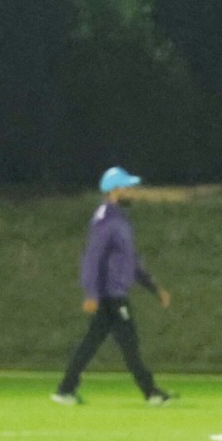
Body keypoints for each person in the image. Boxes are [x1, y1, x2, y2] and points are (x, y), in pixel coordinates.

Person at [52, 166, 175, 406]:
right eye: (127, 188)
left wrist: (154, 288)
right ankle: (151, 392)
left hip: (113, 294)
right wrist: (91, 293)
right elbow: (92, 258)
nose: (132, 192)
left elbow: (131, 261)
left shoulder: (119, 220)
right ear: (114, 191)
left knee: (91, 344)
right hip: (111, 296)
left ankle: (66, 389)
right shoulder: (106, 220)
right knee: (129, 345)